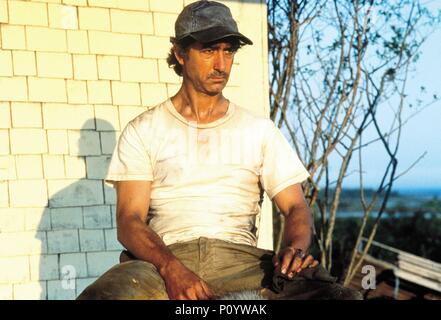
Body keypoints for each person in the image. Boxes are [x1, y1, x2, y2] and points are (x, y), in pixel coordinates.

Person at [77, 0, 362, 300]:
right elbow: (129, 221)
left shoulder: (258, 130)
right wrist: (172, 268)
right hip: (161, 262)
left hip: (243, 261)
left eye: (228, 51)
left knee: (341, 298)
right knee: (104, 296)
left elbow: (295, 207)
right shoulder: (143, 129)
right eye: (209, 50)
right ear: (180, 53)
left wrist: (294, 250)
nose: (221, 64)